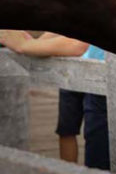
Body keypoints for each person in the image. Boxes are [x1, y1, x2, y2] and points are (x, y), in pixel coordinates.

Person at [0, 31, 110, 170]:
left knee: (94, 138)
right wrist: (37, 41)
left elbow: (76, 46)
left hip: (98, 76)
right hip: (71, 70)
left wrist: (26, 44)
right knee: (66, 129)